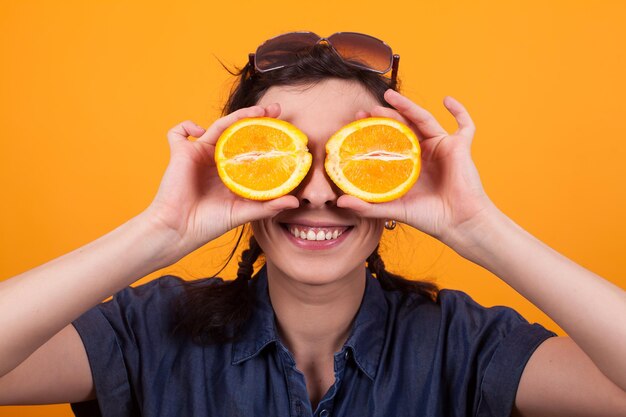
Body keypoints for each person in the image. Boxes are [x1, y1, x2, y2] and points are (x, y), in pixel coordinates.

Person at [0, 31, 625, 417]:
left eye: (357, 158)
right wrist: (159, 231)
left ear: (401, 176)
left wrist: (479, 227)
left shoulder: (466, 347)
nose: (319, 192)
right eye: (283, 157)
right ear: (235, 173)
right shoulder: (146, 333)